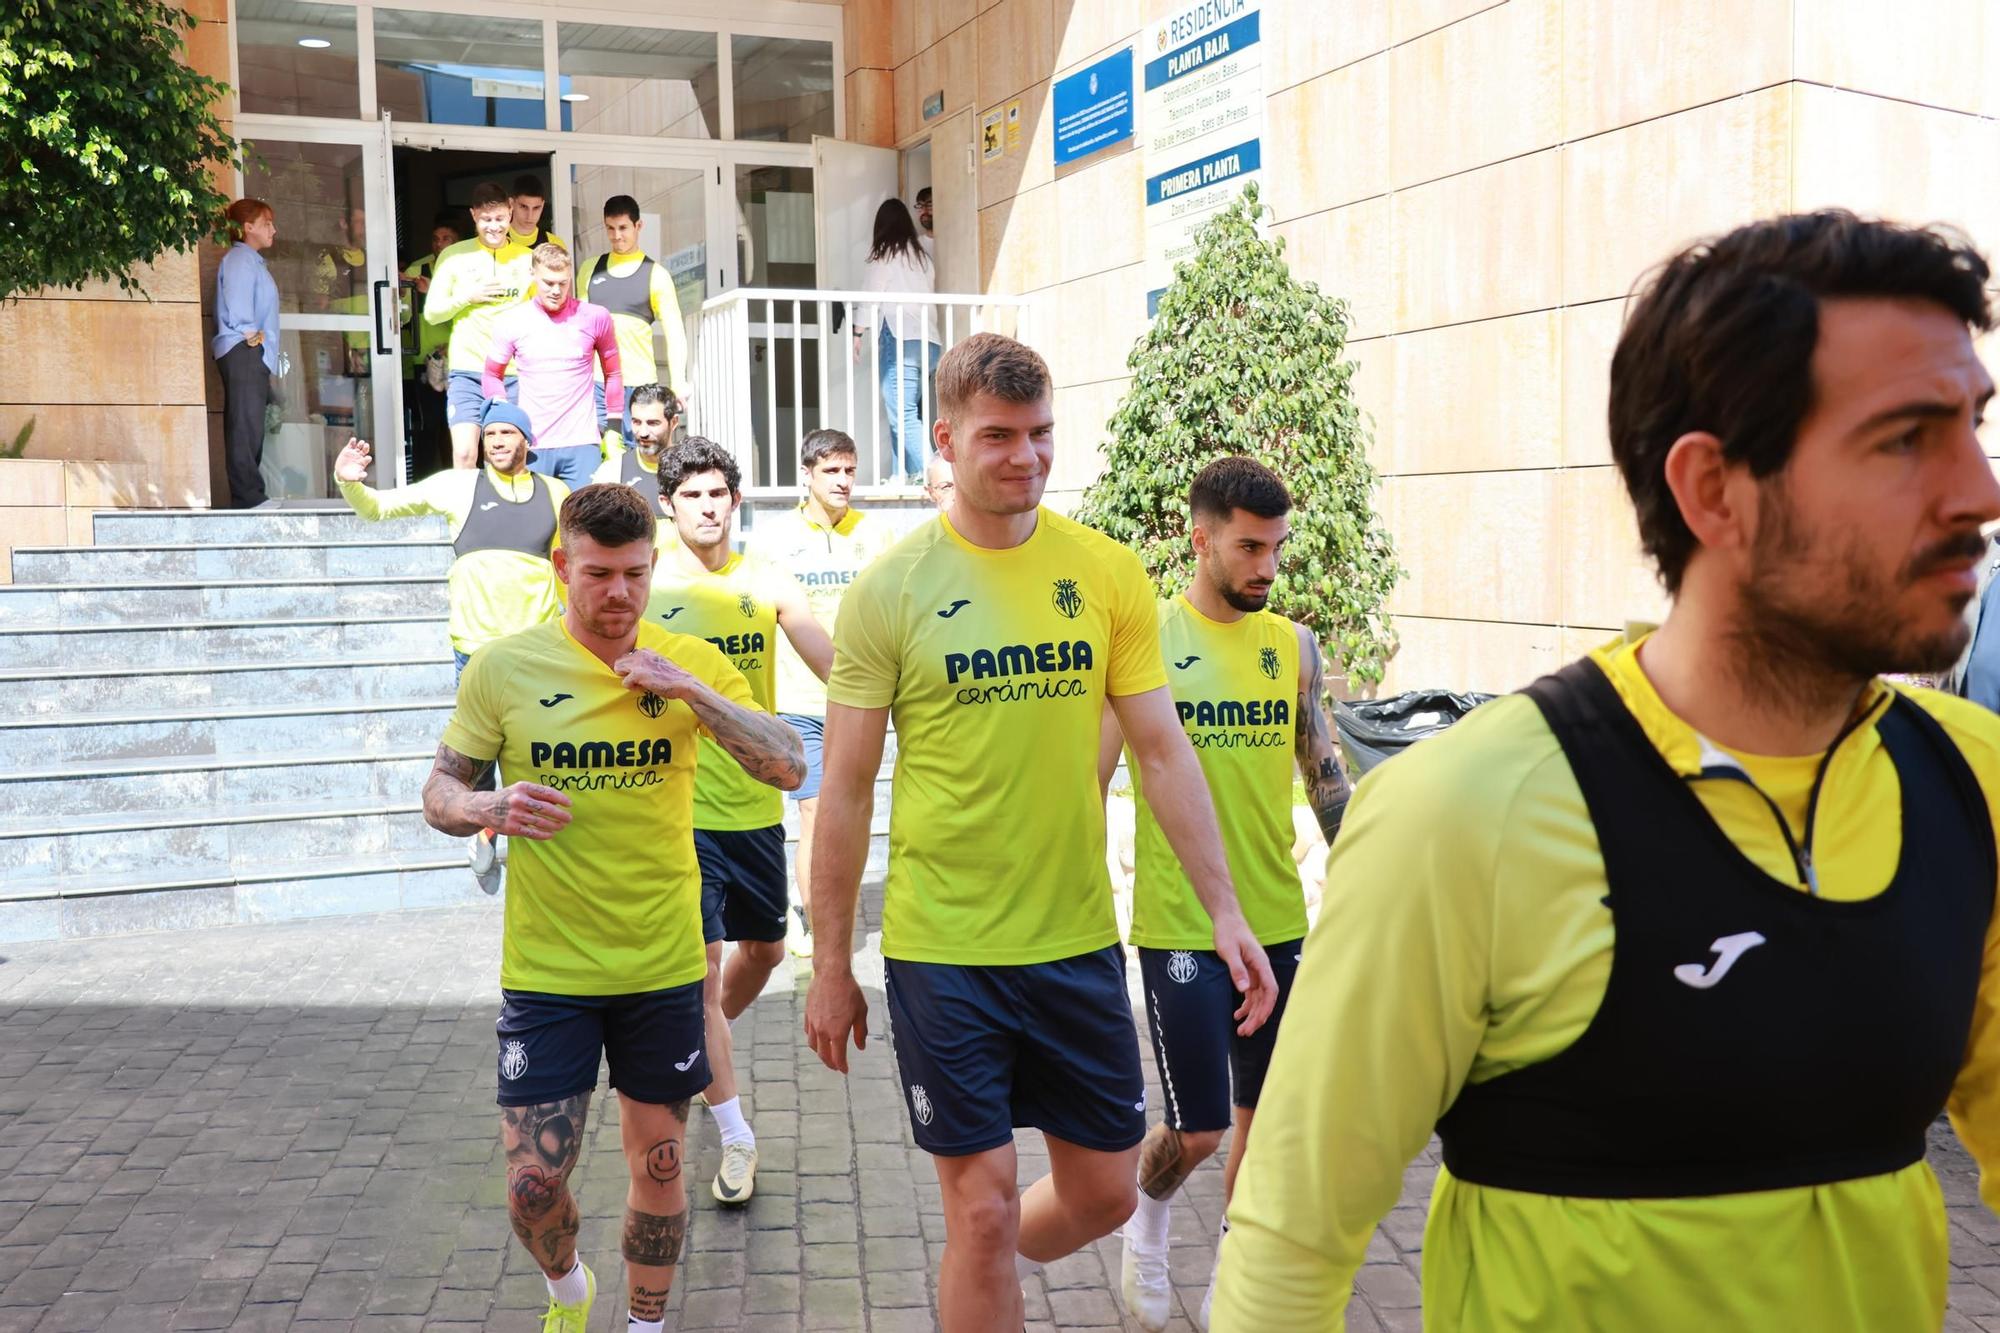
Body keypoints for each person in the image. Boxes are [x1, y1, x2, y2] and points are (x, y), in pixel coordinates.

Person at [1214, 211, 2000, 1332]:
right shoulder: (1463, 812)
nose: (1978, 491)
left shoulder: (1975, 787)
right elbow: (1287, 1255)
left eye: (1973, 426)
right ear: (1713, 490)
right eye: (1903, 439)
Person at [803, 333, 1277, 1332]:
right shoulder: (888, 591)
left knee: (1104, 1192)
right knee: (978, 1214)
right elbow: (843, 789)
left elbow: (1160, 753)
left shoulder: (1104, 577)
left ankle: (975, 1265)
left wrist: (1225, 911)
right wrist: (834, 962)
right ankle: (976, 1259)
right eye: (998, 436)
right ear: (944, 440)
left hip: (1074, 942)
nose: (1025, 456)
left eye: (1041, 433)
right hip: (945, 950)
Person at [422, 481, 805, 1333]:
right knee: (533, 1188)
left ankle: (645, 1326)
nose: (619, 594)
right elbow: (439, 790)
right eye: (598, 574)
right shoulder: (504, 667)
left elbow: (787, 766)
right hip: (549, 971)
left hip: (661, 965)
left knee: (660, 1168)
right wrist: (487, 808)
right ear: (562, 567)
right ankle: (568, 1288)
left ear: (651, 565)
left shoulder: (685, 664)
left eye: (634, 573)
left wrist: (690, 692)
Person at [1098, 456, 1350, 1331]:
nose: (1268, 566)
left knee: (1264, 1125)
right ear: (1199, 538)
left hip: (1279, 918)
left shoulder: (1294, 646)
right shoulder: (1145, 642)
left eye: (1277, 547)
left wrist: (1360, 869)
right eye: (1249, 546)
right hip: (1179, 925)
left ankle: (1230, 1282)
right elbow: (1091, 777)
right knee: (1199, 1128)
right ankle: (1150, 1225)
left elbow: (1326, 777)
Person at [648, 436, 835, 1207]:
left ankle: (694, 1051)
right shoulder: (647, 584)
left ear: (736, 499)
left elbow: (842, 665)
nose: (707, 506)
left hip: (755, 804)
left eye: (718, 492)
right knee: (700, 977)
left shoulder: (766, 581)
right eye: (691, 495)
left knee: (765, 950)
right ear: (668, 505)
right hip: (678, 811)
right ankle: (735, 1136)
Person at [335, 399, 567, 892]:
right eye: (491, 435)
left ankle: (542, 842)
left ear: (529, 441)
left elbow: (570, 569)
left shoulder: (556, 493)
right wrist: (349, 482)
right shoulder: (458, 487)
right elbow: (379, 509)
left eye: (508, 433)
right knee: (479, 754)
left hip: (539, 649)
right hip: (478, 649)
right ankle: (483, 833)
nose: (499, 442)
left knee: (538, 747)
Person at [749, 428, 899, 957]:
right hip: (797, 701)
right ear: (806, 474)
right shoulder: (771, 537)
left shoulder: (876, 535)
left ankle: (831, 902)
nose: (842, 481)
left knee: (850, 808)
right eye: (831, 471)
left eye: (849, 470)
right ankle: (818, 922)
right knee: (813, 811)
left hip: (861, 701)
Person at [483, 243, 623, 492]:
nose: (557, 290)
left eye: (563, 283)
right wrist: (504, 418)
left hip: (582, 443)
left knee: (584, 525)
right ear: (532, 275)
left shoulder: (595, 316)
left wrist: (613, 427)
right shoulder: (511, 321)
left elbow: (613, 372)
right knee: (537, 525)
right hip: (533, 444)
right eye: (548, 283)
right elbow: (492, 374)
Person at [427, 182, 535, 468]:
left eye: (500, 218)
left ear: (510, 212)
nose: (494, 227)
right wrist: (467, 297)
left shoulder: (527, 259)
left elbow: (542, 316)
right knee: (464, 454)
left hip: (513, 374)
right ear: (474, 216)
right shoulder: (454, 256)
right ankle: (467, 514)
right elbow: (433, 313)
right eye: (486, 220)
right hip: (468, 372)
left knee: (509, 459)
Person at [581, 195, 690, 442]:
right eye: (610, 228)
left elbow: (675, 333)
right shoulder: (590, 269)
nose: (617, 235)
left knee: (641, 460)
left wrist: (678, 381)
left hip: (640, 384)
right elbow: (580, 330)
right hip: (599, 384)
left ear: (638, 226)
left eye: (623, 228)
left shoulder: (656, 275)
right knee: (603, 460)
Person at [854, 198, 941, 486]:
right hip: (929, 342)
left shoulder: (886, 256)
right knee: (902, 412)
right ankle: (900, 475)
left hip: (901, 338)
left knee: (901, 414)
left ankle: (937, 476)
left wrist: (858, 333)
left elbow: (870, 297)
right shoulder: (922, 259)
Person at [212, 197, 281, 509]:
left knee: (250, 424)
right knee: (245, 424)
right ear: (247, 227)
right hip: (244, 349)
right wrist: (252, 336)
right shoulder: (240, 259)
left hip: (249, 350)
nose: (273, 230)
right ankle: (248, 498)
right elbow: (239, 302)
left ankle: (250, 496)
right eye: (267, 223)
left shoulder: (250, 259)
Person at [403, 211, 463, 477]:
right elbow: (402, 307)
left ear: (459, 241)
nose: (440, 244)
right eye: (436, 239)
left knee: (459, 427)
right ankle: (425, 481)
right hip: (424, 361)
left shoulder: (467, 266)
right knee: (427, 426)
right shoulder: (420, 269)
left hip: (461, 359)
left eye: (446, 238)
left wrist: (433, 293)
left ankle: (460, 478)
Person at [591, 384, 681, 519]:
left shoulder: (690, 470)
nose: (643, 433)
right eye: (637, 422)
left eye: (652, 423)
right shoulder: (611, 473)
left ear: (673, 422)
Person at [510, 174, 566, 251]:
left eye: (536, 208)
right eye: (524, 207)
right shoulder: (494, 242)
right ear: (511, 203)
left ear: (542, 205)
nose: (530, 216)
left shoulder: (554, 245)